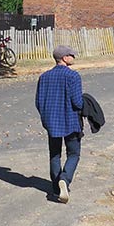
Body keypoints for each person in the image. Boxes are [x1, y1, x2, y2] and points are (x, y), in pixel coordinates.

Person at [35, 45, 84, 204]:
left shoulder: (44, 77)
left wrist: (45, 115)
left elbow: (38, 102)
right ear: (64, 58)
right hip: (70, 120)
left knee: (54, 154)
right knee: (74, 153)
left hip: (51, 121)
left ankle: (56, 188)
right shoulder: (73, 76)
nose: (73, 57)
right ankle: (65, 178)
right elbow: (77, 102)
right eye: (71, 55)